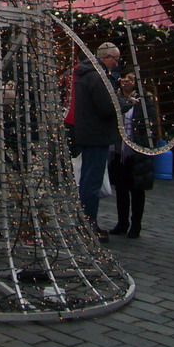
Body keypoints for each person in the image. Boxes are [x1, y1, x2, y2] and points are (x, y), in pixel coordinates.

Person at [73, 42, 124, 241]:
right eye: (116, 59)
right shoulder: (97, 77)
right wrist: (123, 106)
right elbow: (106, 107)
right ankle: (88, 223)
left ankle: (85, 221)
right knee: (91, 181)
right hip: (96, 134)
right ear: (107, 58)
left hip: (88, 133)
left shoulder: (86, 75)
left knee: (88, 179)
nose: (117, 63)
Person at [108, 71, 155, 238]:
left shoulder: (144, 100)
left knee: (137, 189)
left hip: (137, 150)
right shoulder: (115, 98)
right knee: (121, 188)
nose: (127, 82)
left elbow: (151, 124)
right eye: (125, 79)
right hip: (119, 150)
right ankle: (122, 222)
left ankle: (136, 224)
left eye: (131, 79)